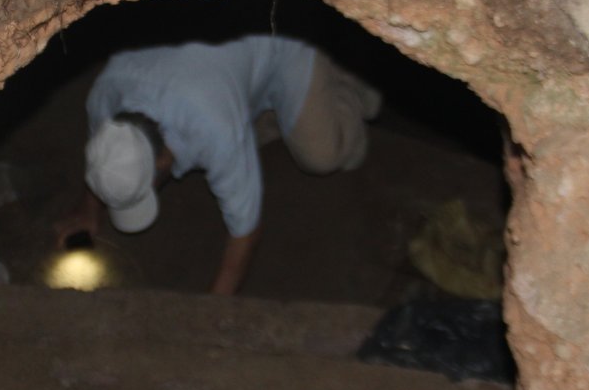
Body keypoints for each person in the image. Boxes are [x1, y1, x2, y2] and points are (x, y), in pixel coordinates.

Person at [57, 35, 382, 295]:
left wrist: (211, 312)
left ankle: (345, 77)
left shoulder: (214, 128)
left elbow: (246, 231)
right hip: (219, 65)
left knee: (325, 156)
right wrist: (89, 208)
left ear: (164, 161)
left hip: (278, 39)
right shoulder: (105, 98)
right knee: (243, 137)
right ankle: (268, 107)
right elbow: (104, 162)